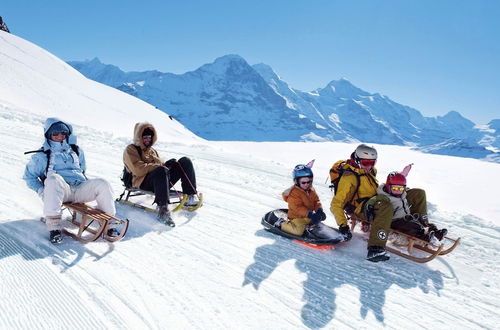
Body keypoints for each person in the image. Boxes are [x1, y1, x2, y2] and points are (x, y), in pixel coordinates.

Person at [23, 118, 117, 244]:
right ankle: (54, 228)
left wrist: (86, 184)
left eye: (63, 133)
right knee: (53, 178)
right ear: (48, 134)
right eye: (55, 133)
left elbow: (82, 170)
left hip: (79, 189)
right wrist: (42, 191)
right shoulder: (41, 156)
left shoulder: (76, 151)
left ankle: (109, 224)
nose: (60, 136)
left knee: (102, 183)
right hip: (61, 191)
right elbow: (29, 177)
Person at [123, 122, 199, 226]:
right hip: (142, 181)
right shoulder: (131, 149)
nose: (147, 140)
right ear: (138, 137)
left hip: (160, 181)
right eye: (144, 137)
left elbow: (160, 165)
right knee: (160, 170)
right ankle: (163, 209)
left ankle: (190, 196)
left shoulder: (152, 151)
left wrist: (168, 164)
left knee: (185, 161)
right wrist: (160, 167)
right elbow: (138, 169)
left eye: (149, 137)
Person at [330, 144, 393, 262]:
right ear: (357, 160)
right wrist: (343, 226)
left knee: (415, 193)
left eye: (372, 163)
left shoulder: (370, 171)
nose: (369, 166)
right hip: (361, 209)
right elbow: (336, 204)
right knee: (386, 206)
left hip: (375, 202)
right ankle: (375, 248)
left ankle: (422, 228)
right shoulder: (349, 177)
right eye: (365, 163)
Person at [377, 165, 448, 242]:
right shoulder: (384, 198)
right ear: (388, 187)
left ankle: (436, 232)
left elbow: (400, 180)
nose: (398, 191)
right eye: (395, 188)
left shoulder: (400, 194)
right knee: (412, 227)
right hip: (395, 221)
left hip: (405, 216)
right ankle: (423, 237)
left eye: (401, 188)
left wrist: (404, 173)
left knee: (418, 221)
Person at [279, 160, 326, 237]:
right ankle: (281, 224)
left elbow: (316, 201)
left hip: (308, 217)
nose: (306, 184)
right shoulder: (294, 192)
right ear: (297, 182)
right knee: (298, 231)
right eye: (303, 182)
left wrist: (319, 210)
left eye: (309, 182)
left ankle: (309, 227)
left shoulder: (311, 190)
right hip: (296, 218)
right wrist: (310, 214)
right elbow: (297, 208)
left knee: (319, 226)